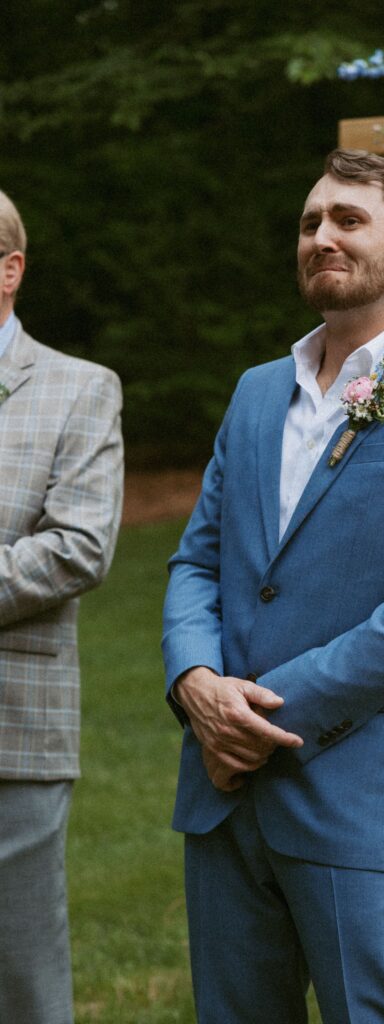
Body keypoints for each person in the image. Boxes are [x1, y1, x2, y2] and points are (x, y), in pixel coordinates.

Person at [162, 148, 384, 1024]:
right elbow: (196, 564)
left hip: (357, 798)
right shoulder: (256, 393)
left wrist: (258, 720)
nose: (321, 236)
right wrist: (197, 686)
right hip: (222, 793)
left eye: (348, 220)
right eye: (309, 221)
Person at [0, 189, 123, 1024]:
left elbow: (80, 546)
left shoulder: (79, 390)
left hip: (12, 725)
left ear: (8, 270)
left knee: (20, 975)